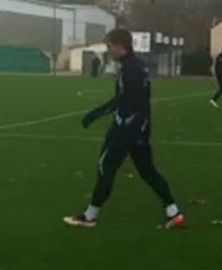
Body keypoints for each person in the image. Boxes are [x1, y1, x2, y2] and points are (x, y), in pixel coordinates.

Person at [64, 28, 185, 230]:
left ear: (121, 46)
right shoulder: (137, 66)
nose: (108, 50)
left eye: (109, 46)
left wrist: (96, 113)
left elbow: (124, 99)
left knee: (106, 168)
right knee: (147, 171)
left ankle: (89, 216)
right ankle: (173, 211)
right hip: (140, 128)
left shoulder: (131, 69)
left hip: (126, 128)